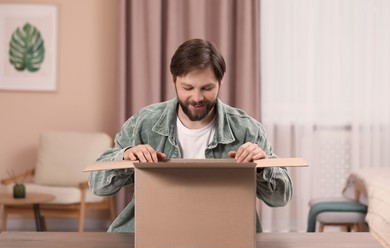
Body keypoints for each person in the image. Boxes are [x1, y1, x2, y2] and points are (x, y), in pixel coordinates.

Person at [88, 38, 292, 232]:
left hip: (224, 236)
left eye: (207, 88)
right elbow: (97, 185)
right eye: (188, 88)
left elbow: (281, 198)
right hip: (152, 233)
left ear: (220, 82)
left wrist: (261, 167)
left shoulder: (246, 129)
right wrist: (126, 156)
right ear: (173, 80)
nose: (197, 98)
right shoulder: (145, 123)